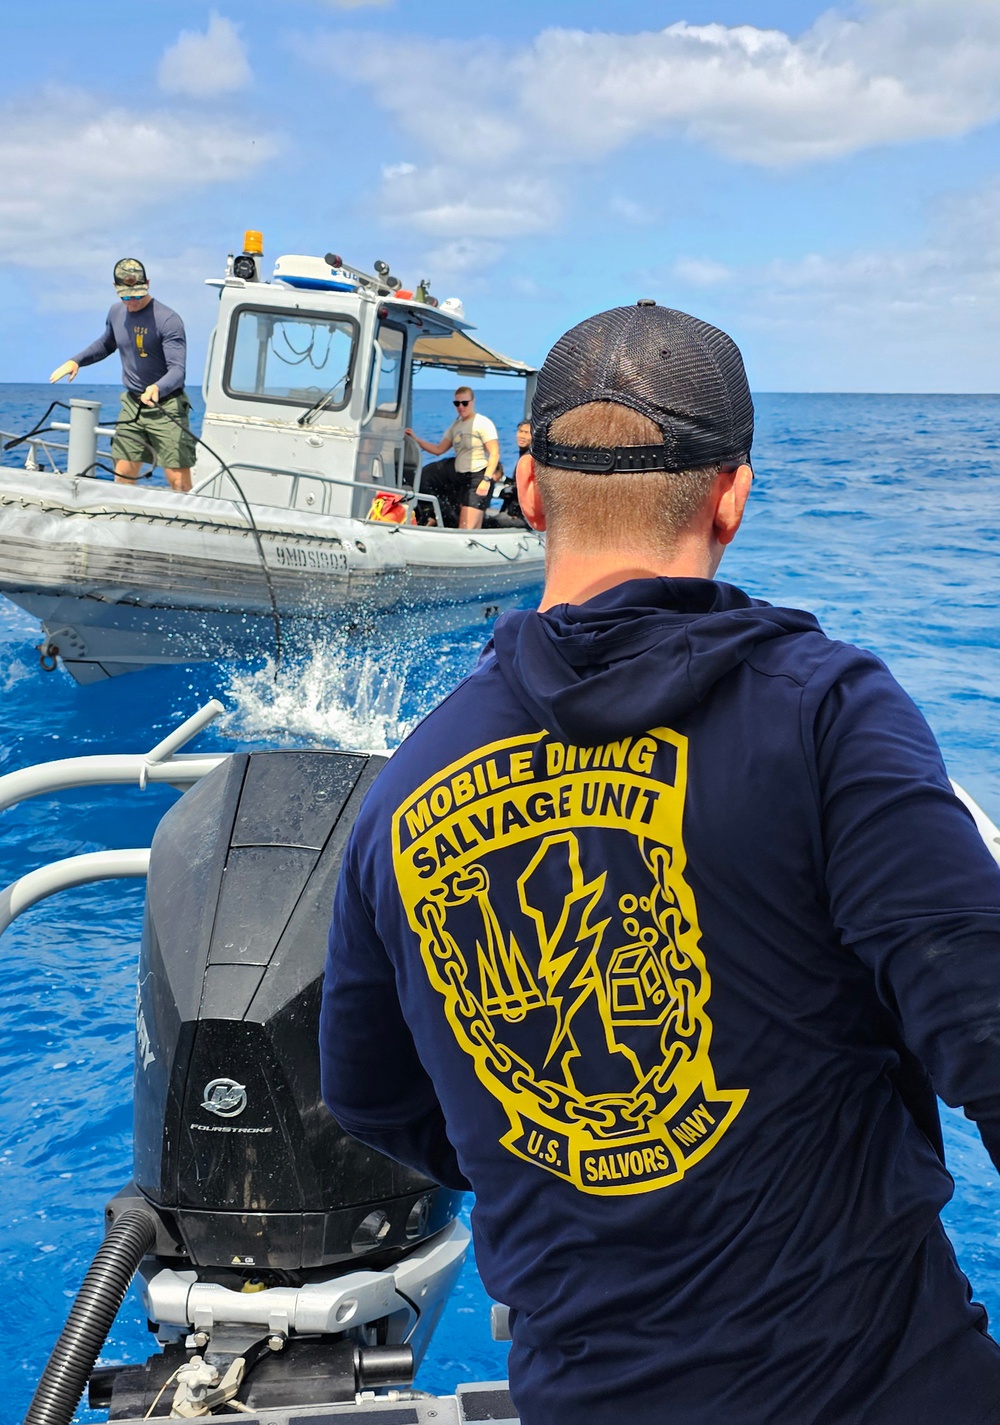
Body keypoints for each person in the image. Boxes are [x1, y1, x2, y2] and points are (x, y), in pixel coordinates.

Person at [320, 302, 1000, 1425]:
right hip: (880, 1388)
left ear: (529, 489)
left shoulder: (404, 789)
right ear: (731, 495)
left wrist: (573, 1153)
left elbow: (382, 1104)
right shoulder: (827, 717)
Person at [49, 258, 196, 492]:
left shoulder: (168, 320)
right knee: (123, 472)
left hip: (166, 406)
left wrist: (157, 388)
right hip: (133, 404)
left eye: (137, 295)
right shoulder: (116, 312)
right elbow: (106, 343)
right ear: (115, 289)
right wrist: (75, 361)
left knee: (178, 480)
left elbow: (177, 370)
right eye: (126, 297)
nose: (132, 302)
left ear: (147, 284)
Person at [406, 386, 499, 528]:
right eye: (457, 403)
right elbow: (439, 449)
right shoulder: (456, 425)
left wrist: (486, 479)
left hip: (478, 476)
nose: (461, 407)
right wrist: (416, 439)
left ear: (472, 402)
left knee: (467, 528)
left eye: (465, 403)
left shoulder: (482, 423)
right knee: (465, 525)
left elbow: (494, 453)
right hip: (461, 478)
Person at [486, 419, 530, 529]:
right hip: (514, 511)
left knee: (486, 522)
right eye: (520, 431)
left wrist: (510, 490)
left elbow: (526, 488)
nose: (522, 436)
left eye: (526, 433)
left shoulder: (530, 459)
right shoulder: (523, 455)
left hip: (522, 517)